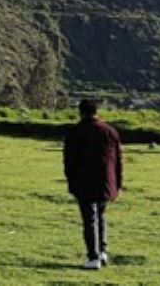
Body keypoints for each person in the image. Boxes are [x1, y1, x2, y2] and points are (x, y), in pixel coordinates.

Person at [63, 98, 124, 270]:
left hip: (84, 182)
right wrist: (118, 182)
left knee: (89, 219)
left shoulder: (75, 132)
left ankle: (93, 257)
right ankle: (103, 250)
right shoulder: (110, 131)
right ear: (96, 112)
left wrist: (71, 181)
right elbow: (118, 160)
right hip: (106, 182)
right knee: (100, 216)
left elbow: (69, 161)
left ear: (80, 112)